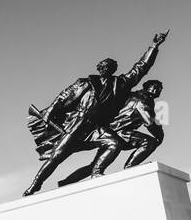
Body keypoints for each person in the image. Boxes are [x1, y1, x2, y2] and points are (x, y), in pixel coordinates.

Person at [23, 31, 168, 195]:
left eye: (111, 67)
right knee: (57, 157)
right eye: (105, 66)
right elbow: (63, 97)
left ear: (114, 69)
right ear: (100, 68)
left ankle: (97, 172)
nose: (108, 69)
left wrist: (154, 46)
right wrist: (50, 110)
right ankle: (35, 184)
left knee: (115, 143)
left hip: (97, 128)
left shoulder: (120, 84)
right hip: (78, 125)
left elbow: (141, 68)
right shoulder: (85, 83)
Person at [56, 79, 165, 185]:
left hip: (111, 131)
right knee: (149, 142)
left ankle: (66, 182)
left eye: (160, 88)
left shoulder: (134, 95)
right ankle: (131, 168)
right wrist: (160, 136)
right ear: (146, 87)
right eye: (155, 87)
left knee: (95, 164)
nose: (158, 90)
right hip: (120, 132)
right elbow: (149, 121)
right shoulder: (143, 99)